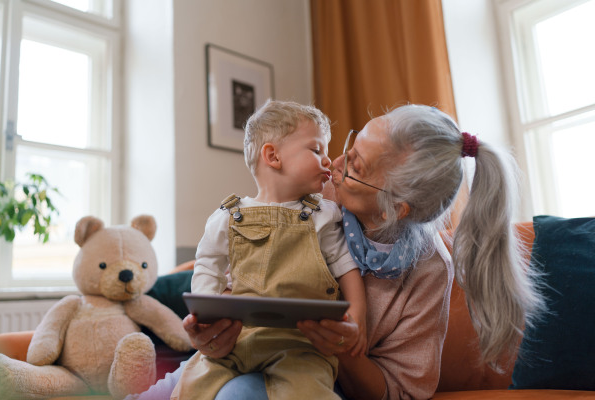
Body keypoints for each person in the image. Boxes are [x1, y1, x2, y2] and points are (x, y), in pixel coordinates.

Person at [127, 104, 544, 400]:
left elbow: (398, 390)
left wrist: (342, 349)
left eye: (357, 166)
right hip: (248, 350)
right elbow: (232, 269)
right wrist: (211, 333)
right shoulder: (316, 193)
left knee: (241, 394)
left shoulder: (429, 270)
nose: (335, 163)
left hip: (310, 378)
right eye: (350, 143)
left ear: (395, 208)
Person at [170, 99, 367, 400]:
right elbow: (207, 264)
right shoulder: (227, 215)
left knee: (309, 391)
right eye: (317, 150)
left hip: (300, 346)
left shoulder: (324, 214)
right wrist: (208, 314)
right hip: (235, 340)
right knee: (190, 386)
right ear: (273, 156)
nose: (328, 160)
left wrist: (356, 318)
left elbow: (346, 267)